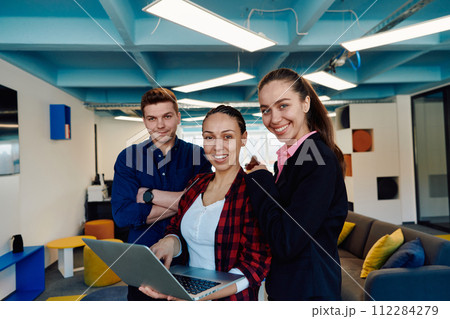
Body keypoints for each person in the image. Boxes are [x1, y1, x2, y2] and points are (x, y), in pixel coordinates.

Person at [139, 105, 271, 301]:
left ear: (243, 139)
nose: (217, 146)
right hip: (187, 292)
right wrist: (170, 242)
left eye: (227, 137)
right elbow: (176, 228)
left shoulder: (253, 191)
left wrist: (200, 296)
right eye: (209, 137)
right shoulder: (196, 183)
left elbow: (255, 265)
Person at [245, 68, 348, 301]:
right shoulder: (297, 157)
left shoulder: (316, 159)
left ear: (305, 104)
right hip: (292, 287)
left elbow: (287, 241)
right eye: (265, 110)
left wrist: (261, 180)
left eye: (283, 106)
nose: (274, 119)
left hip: (309, 292)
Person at [111, 88, 211, 300]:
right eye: (152, 118)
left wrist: (149, 195)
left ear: (178, 117)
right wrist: (182, 200)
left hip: (188, 259)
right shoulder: (128, 157)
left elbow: (202, 205)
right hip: (142, 261)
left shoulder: (197, 156)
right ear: (145, 121)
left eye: (167, 116)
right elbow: (122, 215)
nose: (160, 125)